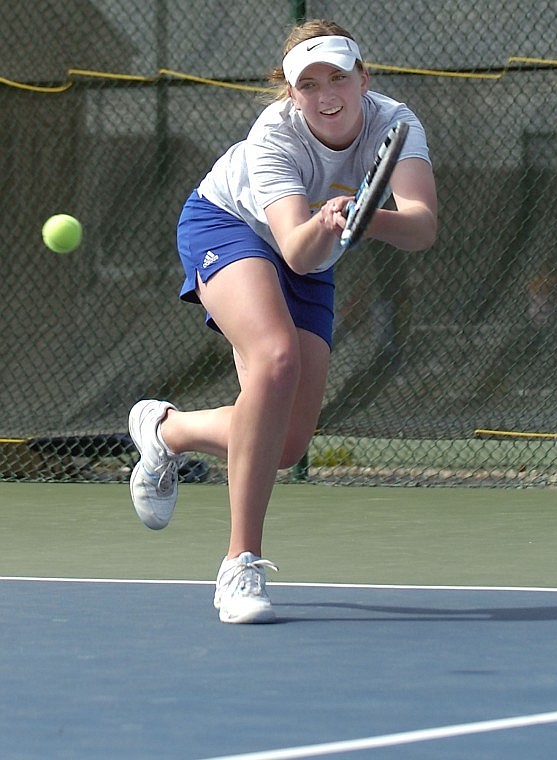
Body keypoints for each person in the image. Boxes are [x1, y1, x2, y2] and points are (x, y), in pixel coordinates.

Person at [128, 19, 437, 624]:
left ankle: (167, 431)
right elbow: (297, 248)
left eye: (339, 78)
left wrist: (364, 218)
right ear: (290, 92)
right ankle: (239, 564)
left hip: (319, 243)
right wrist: (328, 222)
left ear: (363, 78)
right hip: (231, 225)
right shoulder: (274, 135)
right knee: (275, 361)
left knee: (286, 443)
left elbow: (422, 226)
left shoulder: (395, 124)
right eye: (309, 83)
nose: (327, 94)